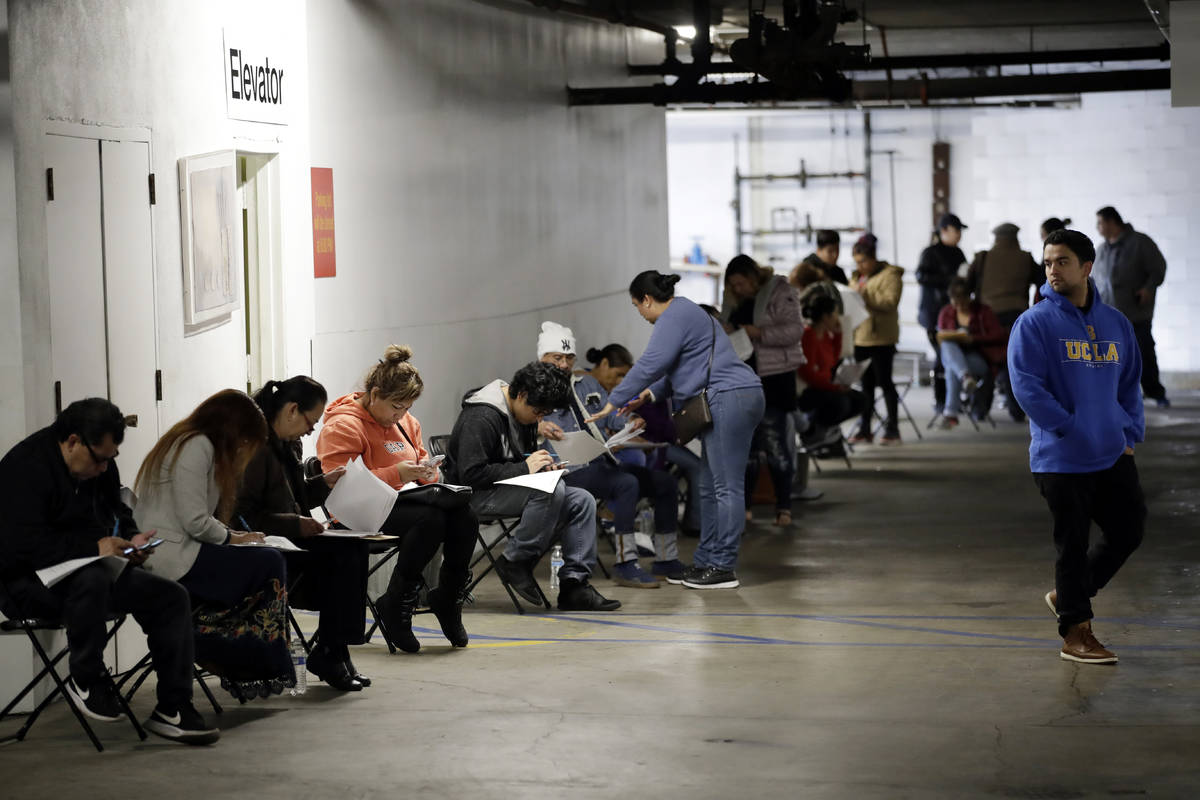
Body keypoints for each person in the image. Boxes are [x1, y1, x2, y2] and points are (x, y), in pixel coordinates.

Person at [0, 399, 219, 745]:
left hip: (92, 575)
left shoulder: (100, 466)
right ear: (73, 441)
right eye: (99, 458)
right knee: (92, 580)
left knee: (170, 597)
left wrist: (130, 538)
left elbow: (115, 509)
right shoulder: (22, 468)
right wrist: (95, 548)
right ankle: (86, 676)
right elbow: (19, 546)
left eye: (110, 459)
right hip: (25, 583)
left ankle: (173, 708)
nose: (104, 469)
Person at [1009, 228, 1146, 664]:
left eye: (1062, 261)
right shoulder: (1033, 323)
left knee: (1129, 528)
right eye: (1048, 262)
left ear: (1086, 267)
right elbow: (1027, 388)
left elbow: (1129, 385)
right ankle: (1076, 633)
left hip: (1110, 453)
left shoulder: (1116, 324)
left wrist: (1128, 435)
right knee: (1071, 543)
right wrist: (1067, 428)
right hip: (1061, 458)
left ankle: (1071, 594)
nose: (1053, 270)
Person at [587, 271, 764, 590]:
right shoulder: (687, 312)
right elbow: (679, 368)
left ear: (647, 299)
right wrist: (648, 394)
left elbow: (651, 362)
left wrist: (614, 399)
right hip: (730, 396)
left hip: (729, 397)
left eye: (636, 306)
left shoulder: (673, 316)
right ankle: (709, 559)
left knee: (726, 487)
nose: (639, 314)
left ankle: (723, 566)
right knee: (710, 485)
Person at [134, 390, 294, 701]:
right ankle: (225, 648)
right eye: (246, 440)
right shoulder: (197, 446)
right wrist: (233, 538)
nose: (244, 449)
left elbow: (198, 517)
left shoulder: (188, 441)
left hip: (178, 548)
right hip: (171, 556)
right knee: (269, 563)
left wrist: (234, 536)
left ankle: (228, 648)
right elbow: (195, 520)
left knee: (264, 559)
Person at [316, 345, 478, 652]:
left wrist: (427, 473)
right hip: (355, 511)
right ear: (375, 394)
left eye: (406, 408)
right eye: (395, 407)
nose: (400, 416)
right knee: (430, 519)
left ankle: (448, 596)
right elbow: (341, 489)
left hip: (404, 502)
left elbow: (417, 459)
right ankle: (398, 601)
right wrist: (397, 474)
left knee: (464, 515)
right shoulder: (344, 425)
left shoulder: (406, 423)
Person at [445, 361, 619, 611]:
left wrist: (543, 468)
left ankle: (574, 585)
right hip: (472, 496)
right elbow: (471, 474)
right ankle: (515, 561)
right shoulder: (481, 416)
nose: (540, 419)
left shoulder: (521, 414)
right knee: (549, 489)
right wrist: (526, 469)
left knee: (582, 499)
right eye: (538, 411)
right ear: (522, 395)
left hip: (507, 489)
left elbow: (520, 460)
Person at [236, 376, 370, 690]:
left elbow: (293, 499)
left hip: (290, 536)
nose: (311, 431)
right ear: (292, 410)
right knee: (343, 557)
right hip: (266, 545)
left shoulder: (287, 443)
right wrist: (296, 524)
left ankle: (334, 647)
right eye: (311, 422)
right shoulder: (253, 448)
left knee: (356, 547)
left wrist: (324, 484)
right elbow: (243, 516)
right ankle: (330, 650)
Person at [535, 326, 684, 585]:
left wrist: (631, 421)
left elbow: (612, 414)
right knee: (626, 483)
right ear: (541, 358)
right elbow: (513, 420)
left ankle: (666, 558)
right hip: (564, 470)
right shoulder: (532, 387)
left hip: (599, 462)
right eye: (556, 357)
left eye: (569, 358)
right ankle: (626, 563)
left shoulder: (586, 383)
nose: (563, 364)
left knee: (665, 483)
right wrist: (537, 427)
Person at [721, 255, 805, 526]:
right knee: (747, 447)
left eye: (741, 283)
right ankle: (745, 507)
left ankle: (784, 506)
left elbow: (794, 331)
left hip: (774, 378)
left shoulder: (781, 292)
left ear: (754, 277)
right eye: (733, 285)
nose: (737, 290)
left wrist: (758, 332)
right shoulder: (733, 301)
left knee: (775, 443)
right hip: (742, 378)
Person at [965, 223, 1043, 422]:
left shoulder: (982, 257)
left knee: (986, 361)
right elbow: (1042, 282)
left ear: (996, 238)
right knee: (1013, 363)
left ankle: (980, 409)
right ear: (1016, 237)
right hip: (1016, 318)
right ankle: (1017, 410)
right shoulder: (1025, 258)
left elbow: (967, 287)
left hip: (986, 318)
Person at [1093, 206, 1170, 408]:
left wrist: (1148, 288)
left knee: (1143, 352)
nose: (1098, 227)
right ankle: (1123, 394)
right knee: (1114, 356)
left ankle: (1155, 391)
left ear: (1112, 222)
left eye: (1100, 222)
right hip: (1109, 313)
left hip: (1136, 312)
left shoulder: (1140, 242)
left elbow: (1158, 269)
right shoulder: (1101, 250)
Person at [848, 234, 905, 445]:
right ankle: (865, 429)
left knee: (885, 383)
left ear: (873, 258)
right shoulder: (856, 277)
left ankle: (893, 429)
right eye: (856, 262)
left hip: (882, 339)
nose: (860, 266)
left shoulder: (891, 275)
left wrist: (864, 297)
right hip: (860, 338)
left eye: (863, 261)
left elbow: (890, 302)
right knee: (866, 386)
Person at [935, 277, 1007, 428]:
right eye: (956, 302)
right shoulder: (946, 312)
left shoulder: (983, 312)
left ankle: (951, 414)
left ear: (970, 297)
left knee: (952, 369)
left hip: (979, 358)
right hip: (953, 356)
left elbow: (998, 334)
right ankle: (965, 377)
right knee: (948, 345)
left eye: (963, 302)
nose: (959, 306)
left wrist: (973, 339)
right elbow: (940, 336)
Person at [916, 213, 968, 414]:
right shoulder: (930, 253)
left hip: (955, 314)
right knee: (942, 355)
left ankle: (952, 399)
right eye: (957, 230)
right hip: (933, 313)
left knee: (953, 354)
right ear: (944, 230)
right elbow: (921, 276)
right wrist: (950, 278)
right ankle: (941, 399)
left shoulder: (959, 253)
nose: (960, 235)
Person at [797, 292, 866, 433]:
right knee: (841, 403)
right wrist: (834, 388)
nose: (837, 318)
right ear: (825, 317)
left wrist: (838, 335)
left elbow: (832, 361)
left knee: (861, 400)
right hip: (808, 390)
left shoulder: (826, 336)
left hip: (824, 386)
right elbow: (808, 373)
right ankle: (813, 430)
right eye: (834, 314)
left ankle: (825, 430)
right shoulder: (808, 336)